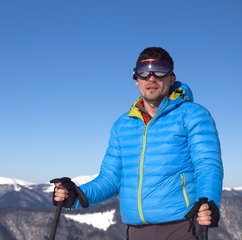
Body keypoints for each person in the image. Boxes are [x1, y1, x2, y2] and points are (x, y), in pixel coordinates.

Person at [52, 47, 223, 240]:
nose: (151, 78)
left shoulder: (192, 114)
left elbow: (207, 165)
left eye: (159, 70)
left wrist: (208, 201)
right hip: (136, 230)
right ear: (136, 79)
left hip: (182, 227)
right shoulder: (123, 124)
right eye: (144, 71)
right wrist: (75, 194)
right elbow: (110, 179)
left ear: (171, 78)